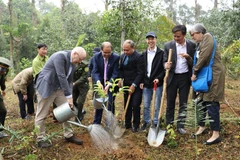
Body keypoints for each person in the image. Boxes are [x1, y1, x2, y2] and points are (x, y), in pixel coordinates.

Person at [34, 47, 87, 148]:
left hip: (59, 89)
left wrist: (70, 96)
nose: (80, 62)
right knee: (42, 114)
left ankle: (69, 135)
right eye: (80, 59)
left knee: (67, 110)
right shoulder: (60, 56)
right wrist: (69, 96)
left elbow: (70, 81)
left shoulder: (73, 63)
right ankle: (40, 139)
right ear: (75, 53)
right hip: (47, 87)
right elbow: (61, 76)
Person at [190, 23, 225, 145]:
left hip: (213, 76)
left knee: (211, 102)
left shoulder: (208, 37)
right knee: (200, 101)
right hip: (204, 76)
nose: (192, 37)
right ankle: (202, 127)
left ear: (200, 32)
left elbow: (204, 58)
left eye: (193, 34)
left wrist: (195, 72)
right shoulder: (200, 44)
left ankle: (216, 134)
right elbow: (199, 59)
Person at [164, 25, 196, 134]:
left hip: (185, 78)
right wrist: (166, 65)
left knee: (183, 103)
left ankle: (180, 126)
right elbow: (164, 60)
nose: (176, 38)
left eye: (178, 36)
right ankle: (169, 124)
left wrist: (188, 57)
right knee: (170, 102)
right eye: (174, 36)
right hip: (172, 77)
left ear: (184, 35)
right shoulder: (168, 46)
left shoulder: (192, 45)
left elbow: (194, 63)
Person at [139, 32, 165, 131]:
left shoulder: (161, 53)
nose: (150, 41)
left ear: (156, 40)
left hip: (157, 83)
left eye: (152, 39)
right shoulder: (144, 53)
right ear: (146, 41)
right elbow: (142, 69)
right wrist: (142, 81)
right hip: (146, 83)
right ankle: (146, 122)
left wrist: (159, 78)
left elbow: (164, 69)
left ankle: (155, 122)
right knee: (146, 104)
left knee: (157, 104)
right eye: (148, 39)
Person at [119, 40, 144, 132]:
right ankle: (127, 123)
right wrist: (121, 79)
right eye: (124, 50)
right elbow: (120, 69)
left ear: (133, 48)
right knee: (127, 103)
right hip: (126, 84)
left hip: (136, 84)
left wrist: (134, 85)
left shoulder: (139, 57)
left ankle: (136, 125)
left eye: (127, 50)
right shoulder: (122, 57)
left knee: (135, 104)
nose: (125, 52)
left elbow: (141, 72)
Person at [92, 42, 119, 124]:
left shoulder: (116, 58)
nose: (107, 54)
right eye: (105, 52)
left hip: (111, 84)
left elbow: (115, 73)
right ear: (101, 50)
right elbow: (95, 71)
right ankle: (97, 122)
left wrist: (109, 84)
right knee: (99, 102)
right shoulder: (96, 57)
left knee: (110, 102)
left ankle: (110, 123)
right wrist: (98, 82)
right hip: (100, 83)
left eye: (109, 52)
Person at [0, 57, 12, 138]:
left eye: (5, 68)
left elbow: (2, 81)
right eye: (2, 68)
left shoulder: (4, 73)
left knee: (3, 111)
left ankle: (0, 131)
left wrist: (3, 89)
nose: (3, 71)